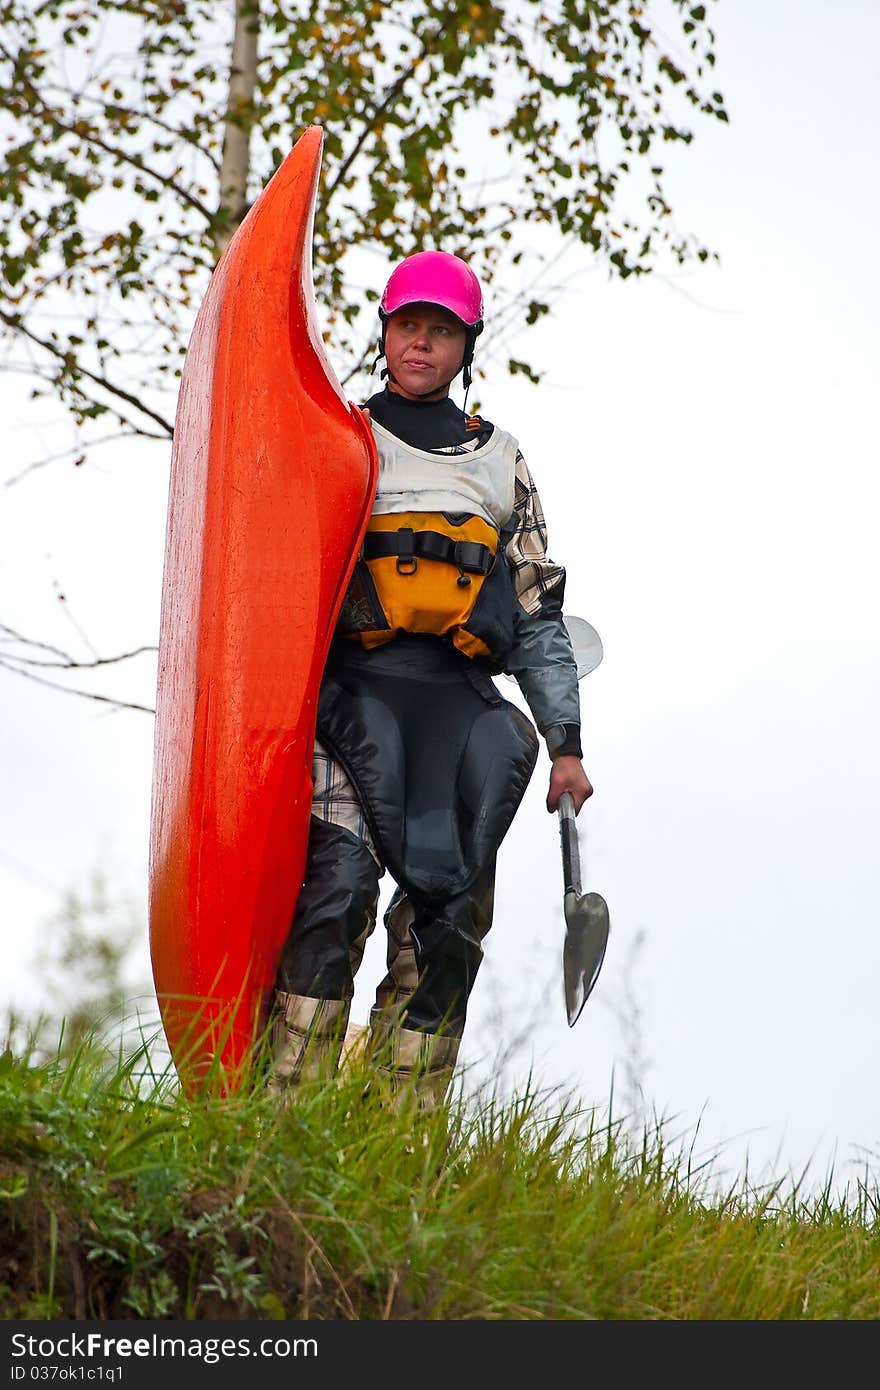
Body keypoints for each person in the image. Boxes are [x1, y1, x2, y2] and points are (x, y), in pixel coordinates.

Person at [269, 250, 593, 1106]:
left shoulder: (502, 462)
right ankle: (283, 1120)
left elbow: (535, 612)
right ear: (385, 333)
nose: (421, 344)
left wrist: (566, 744)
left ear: (465, 345)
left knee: (447, 932)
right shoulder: (339, 437)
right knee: (335, 896)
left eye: (440, 331)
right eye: (407, 326)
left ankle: (397, 1138)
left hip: (460, 713)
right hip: (352, 701)